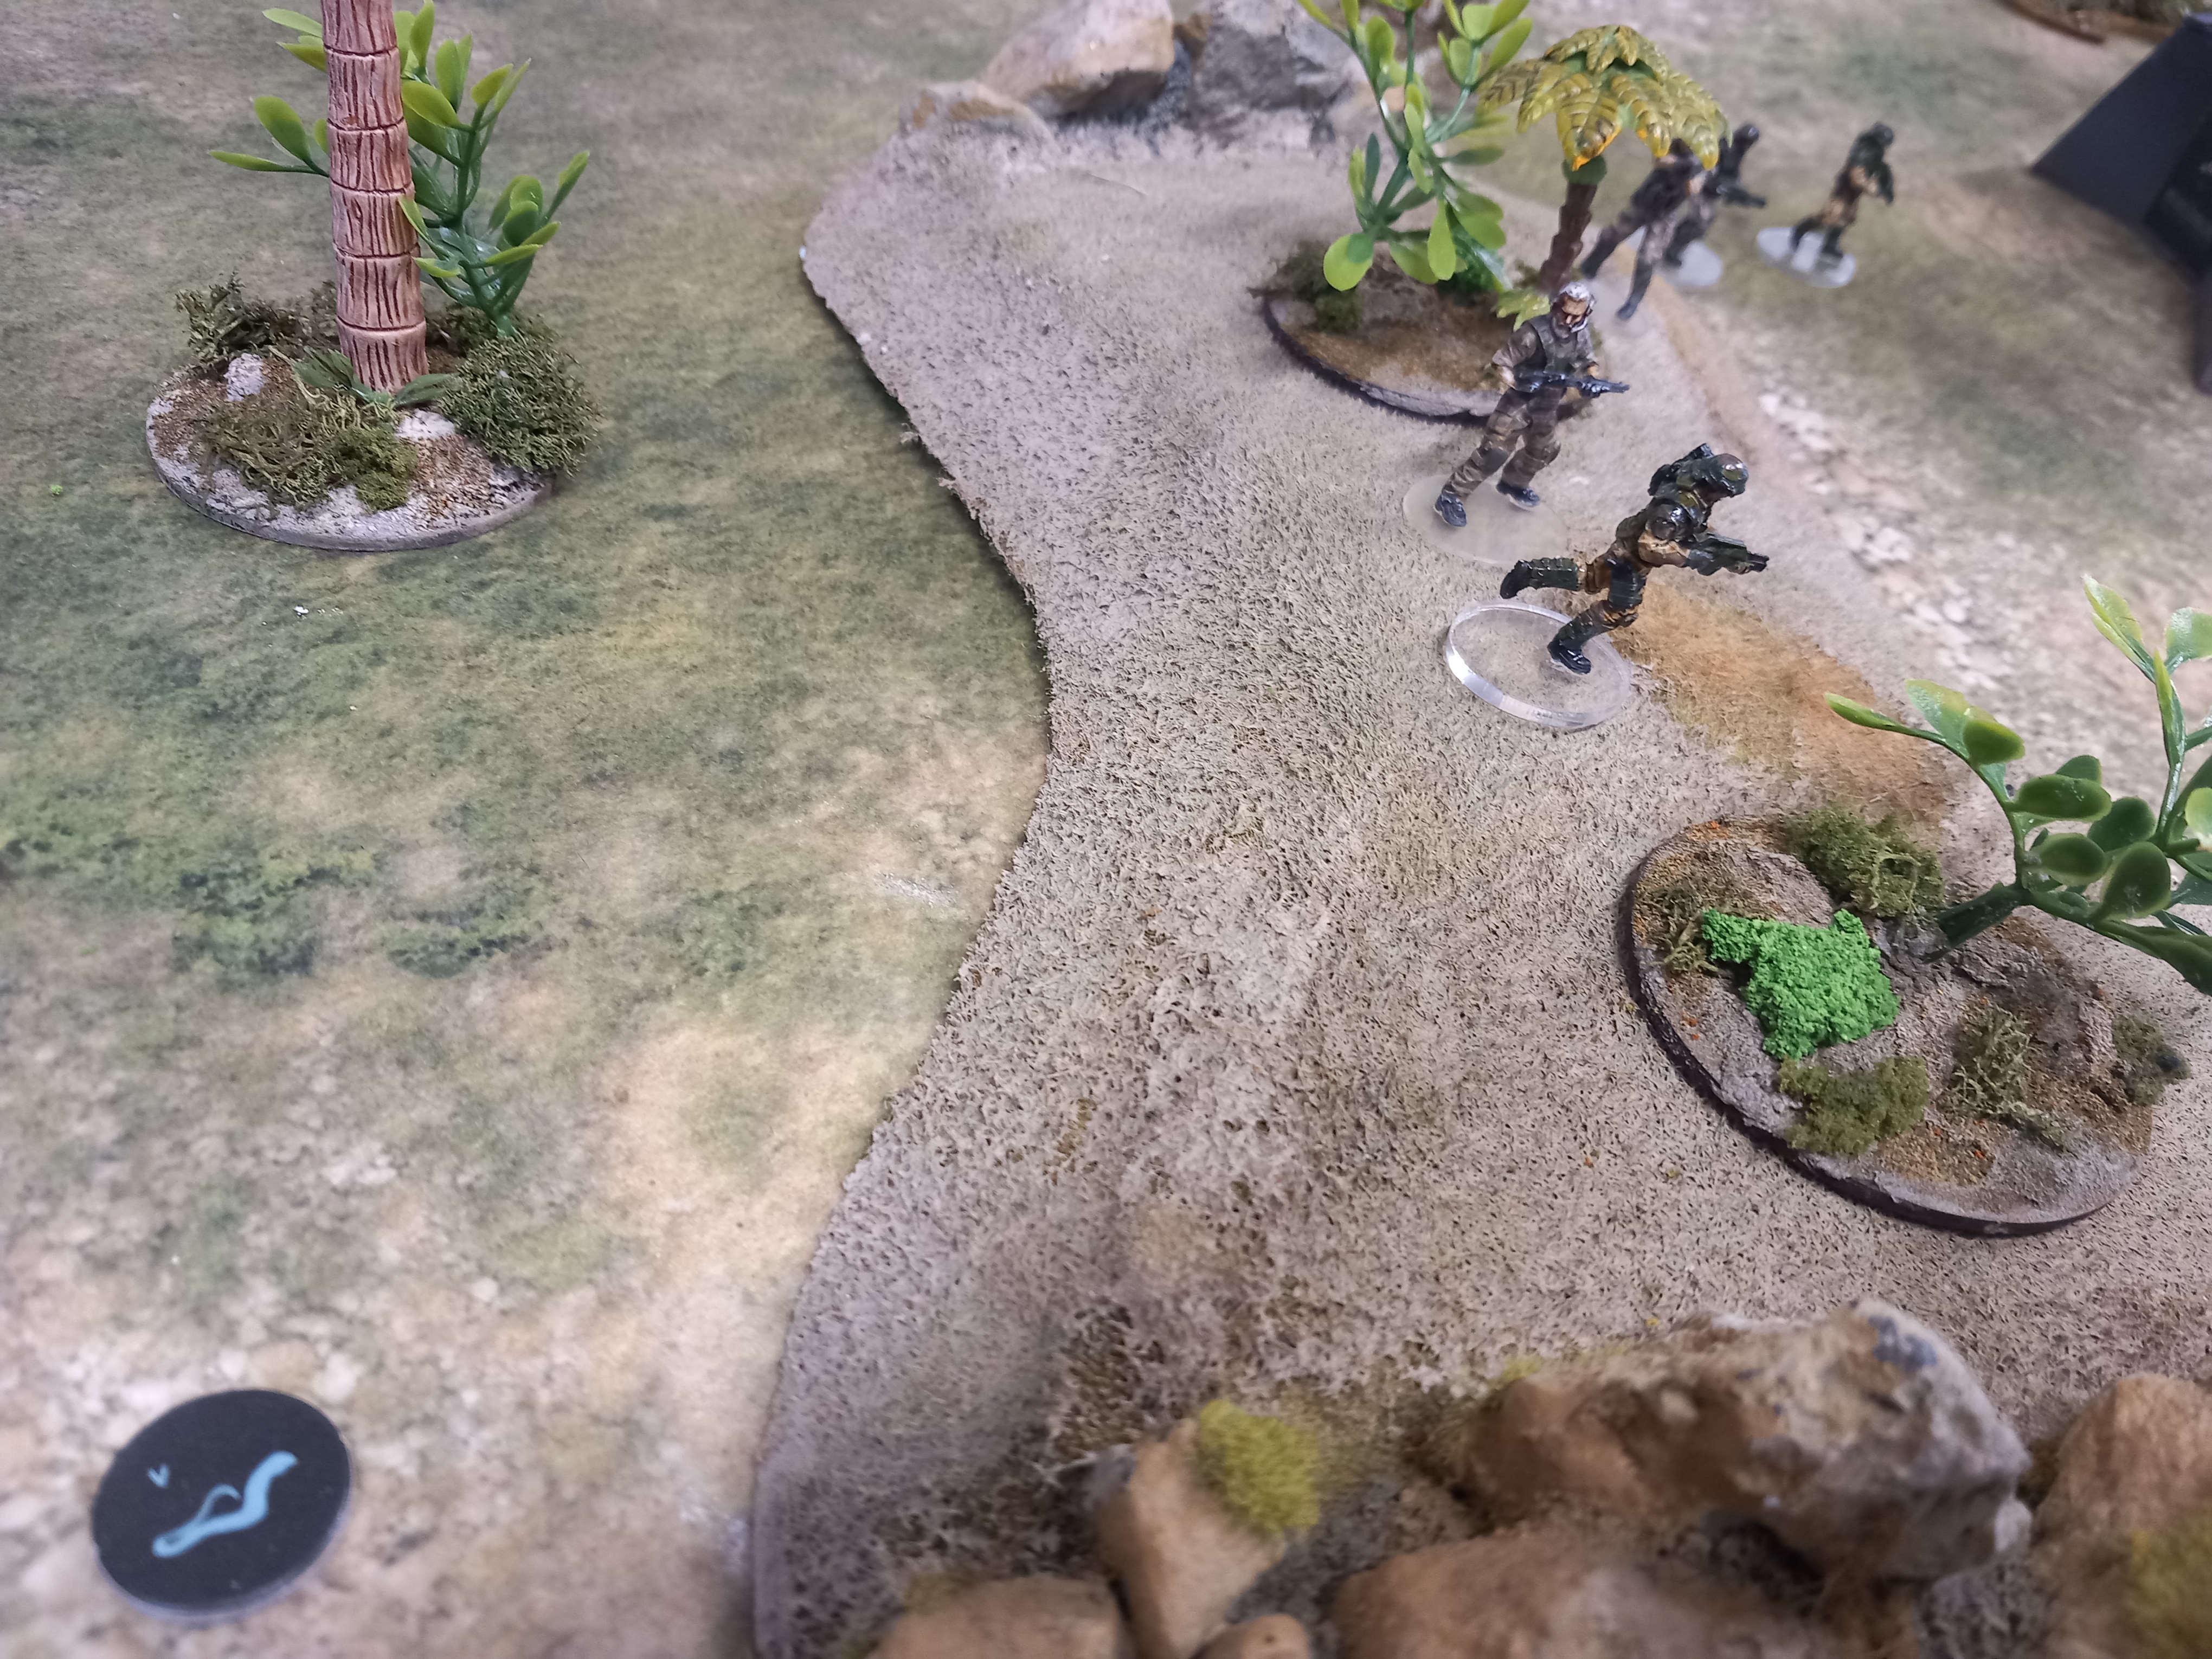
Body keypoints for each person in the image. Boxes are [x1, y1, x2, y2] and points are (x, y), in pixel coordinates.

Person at [1498, 444, 1764, 674]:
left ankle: (1532, 572)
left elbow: (1694, 528)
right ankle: (1565, 645)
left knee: (1590, 579)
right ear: (1716, 485)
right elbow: (1650, 548)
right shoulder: (1675, 511)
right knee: (1621, 612)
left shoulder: (1693, 486)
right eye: (1727, 492)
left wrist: (1721, 553)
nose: (1727, 497)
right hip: (1632, 559)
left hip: (1629, 545)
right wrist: (1692, 558)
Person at [1433, 280, 1598, 523]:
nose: (1570, 320)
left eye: (1577, 316)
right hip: (1518, 403)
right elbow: (1502, 362)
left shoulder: (1581, 335)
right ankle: (1451, 496)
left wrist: (1592, 379)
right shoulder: (1532, 334)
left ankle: (1514, 483)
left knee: (1544, 450)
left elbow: (1588, 360)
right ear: (1557, 307)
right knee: (1495, 452)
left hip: (1548, 405)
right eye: (1566, 313)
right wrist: (1515, 381)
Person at [1579, 142, 1705, 319]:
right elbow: (1660, 160)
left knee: (1648, 258)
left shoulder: (1701, 159)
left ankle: (1634, 300)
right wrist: (1681, 164)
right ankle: (1590, 265)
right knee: (1613, 235)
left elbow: (1694, 188)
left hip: (1665, 213)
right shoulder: (1672, 143)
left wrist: (1690, 169)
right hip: (1645, 201)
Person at [1663, 123, 1764, 269]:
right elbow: (1707, 167)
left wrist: (1741, 192)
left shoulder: (1737, 151)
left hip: (1712, 190)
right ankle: (1672, 249)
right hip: (1701, 186)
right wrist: (1719, 185)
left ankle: (1673, 242)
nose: (1746, 145)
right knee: (1699, 222)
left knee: (1702, 222)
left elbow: (1732, 174)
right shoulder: (1723, 146)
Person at [1789, 124, 1894, 263]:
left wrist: (1886, 189)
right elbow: (1857, 178)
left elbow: (1881, 170)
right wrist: (1874, 189)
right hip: (1845, 188)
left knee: (1847, 218)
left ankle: (1829, 246)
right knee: (1831, 216)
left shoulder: (1876, 154)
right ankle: (1800, 230)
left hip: (1854, 192)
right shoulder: (1863, 151)